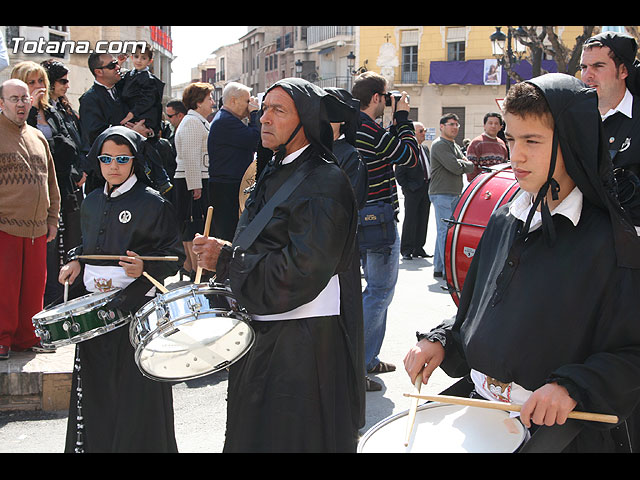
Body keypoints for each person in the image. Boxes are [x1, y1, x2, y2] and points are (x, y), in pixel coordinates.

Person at [404, 73, 640, 452]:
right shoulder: (504, 218)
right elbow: (482, 312)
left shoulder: (613, 242)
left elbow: (631, 354)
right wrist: (444, 339)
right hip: (479, 411)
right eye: (512, 139)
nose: (516, 155)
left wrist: (572, 386)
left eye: (533, 140)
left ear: (573, 143)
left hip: (560, 433)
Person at [191, 77, 364, 452]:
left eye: (277, 111)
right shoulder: (275, 168)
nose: (263, 118)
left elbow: (303, 271)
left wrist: (227, 260)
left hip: (302, 349)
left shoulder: (325, 182)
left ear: (307, 120)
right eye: (264, 108)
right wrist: (221, 255)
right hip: (262, 336)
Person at [58, 126, 184, 452]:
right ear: (97, 160)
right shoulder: (91, 200)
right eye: (106, 158)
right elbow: (86, 246)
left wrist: (146, 267)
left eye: (122, 158)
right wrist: (75, 262)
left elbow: (174, 256)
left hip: (134, 310)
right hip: (93, 311)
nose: (113, 166)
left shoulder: (153, 202)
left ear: (135, 160)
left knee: (135, 395)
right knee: (96, 389)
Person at [351, 71, 419, 391]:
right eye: (387, 96)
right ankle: (358, 363)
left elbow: (387, 151)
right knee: (379, 292)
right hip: (377, 220)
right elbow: (408, 155)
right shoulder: (368, 128)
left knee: (371, 292)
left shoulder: (354, 126)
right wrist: (403, 117)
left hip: (356, 219)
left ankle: (368, 357)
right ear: (377, 98)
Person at [11, 61, 85, 307]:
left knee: (64, 250)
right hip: (29, 199)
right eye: (30, 82)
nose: (37, 87)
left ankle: (60, 304)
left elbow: (71, 146)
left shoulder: (54, 111)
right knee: (42, 258)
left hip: (62, 188)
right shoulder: (16, 116)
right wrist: (30, 108)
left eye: (40, 81)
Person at [0, 79, 60, 360]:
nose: (21, 103)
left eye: (24, 98)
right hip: (4, 226)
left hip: (37, 228)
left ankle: (27, 337)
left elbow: (51, 182)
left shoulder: (38, 137)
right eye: (14, 98)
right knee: (5, 288)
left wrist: (52, 217)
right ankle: (2, 340)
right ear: (1, 103)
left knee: (34, 288)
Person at [581, 30, 640, 230]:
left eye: (598, 66)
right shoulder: (573, 119)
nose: (588, 75)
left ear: (623, 71)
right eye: (584, 67)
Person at [207, 82, 260, 241]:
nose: (249, 105)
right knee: (228, 235)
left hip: (228, 184)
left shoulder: (227, 119)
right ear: (233, 100)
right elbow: (255, 140)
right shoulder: (226, 121)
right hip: (226, 187)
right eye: (246, 101)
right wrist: (255, 114)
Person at [174, 82, 213, 280]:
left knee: (196, 225)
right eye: (209, 99)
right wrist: (195, 185)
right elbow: (190, 155)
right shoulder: (191, 122)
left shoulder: (197, 121)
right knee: (192, 225)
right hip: (191, 181)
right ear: (198, 103)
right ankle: (193, 268)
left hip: (197, 178)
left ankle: (196, 268)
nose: (213, 102)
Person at [429, 113, 475, 279]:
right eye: (451, 124)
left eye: (457, 124)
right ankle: (449, 271)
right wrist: (464, 163)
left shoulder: (453, 145)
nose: (455, 127)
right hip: (442, 193)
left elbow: (469, 166)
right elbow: (456, 167)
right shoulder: (440, 145)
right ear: (442, 126)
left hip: (454, 193)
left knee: (444, 231)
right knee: (446, 232)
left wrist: (463, 164)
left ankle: (439, 268)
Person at [396, 121, 432, 260]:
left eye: (424, 130)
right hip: (412, 189)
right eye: (421, 131)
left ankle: (419, 247)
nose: (424, 133)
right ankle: (406, 249)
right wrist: (408, 186)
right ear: (413, 133)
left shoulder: (425, 149)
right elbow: (399, 173)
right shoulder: (408, 150)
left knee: (423, 218)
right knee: (411, 219)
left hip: (426, 188)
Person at [118, 43, 165, 137]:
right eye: (136, 56)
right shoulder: (128, 75)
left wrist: (130, 115)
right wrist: (119, 64)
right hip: (129, 120)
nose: (139, 60)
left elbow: (147, 101)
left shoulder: (150, 80)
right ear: (131, 57)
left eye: (143, 58)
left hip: (142, 120)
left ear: (149, 61)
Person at [465, 112, 509, 181]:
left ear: (501, 127)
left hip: (498, 183)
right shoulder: (476, 143)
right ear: (484, 125)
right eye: (490, 123)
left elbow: (504, 166)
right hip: (481, 185)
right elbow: (470, 168)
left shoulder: (502, 144)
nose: (493, 126)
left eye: (496, 123)